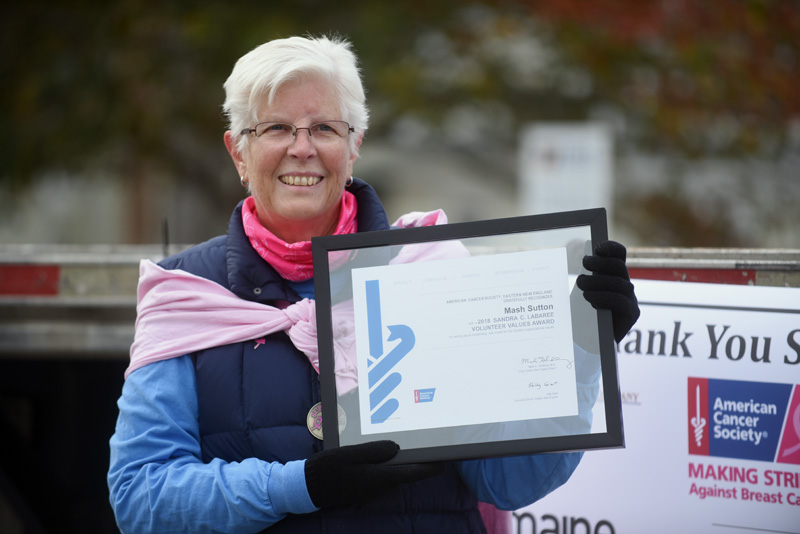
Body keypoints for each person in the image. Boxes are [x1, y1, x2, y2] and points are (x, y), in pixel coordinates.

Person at [107, 35, 640, 534]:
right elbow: (140, 498)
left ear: (354, 144)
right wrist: (301, 486)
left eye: (324, 128)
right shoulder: (186, 296)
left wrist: (579, 350)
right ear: (237, 152)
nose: (302, 148)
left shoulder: (433, 268)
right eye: (275, 129)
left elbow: (510, 482)